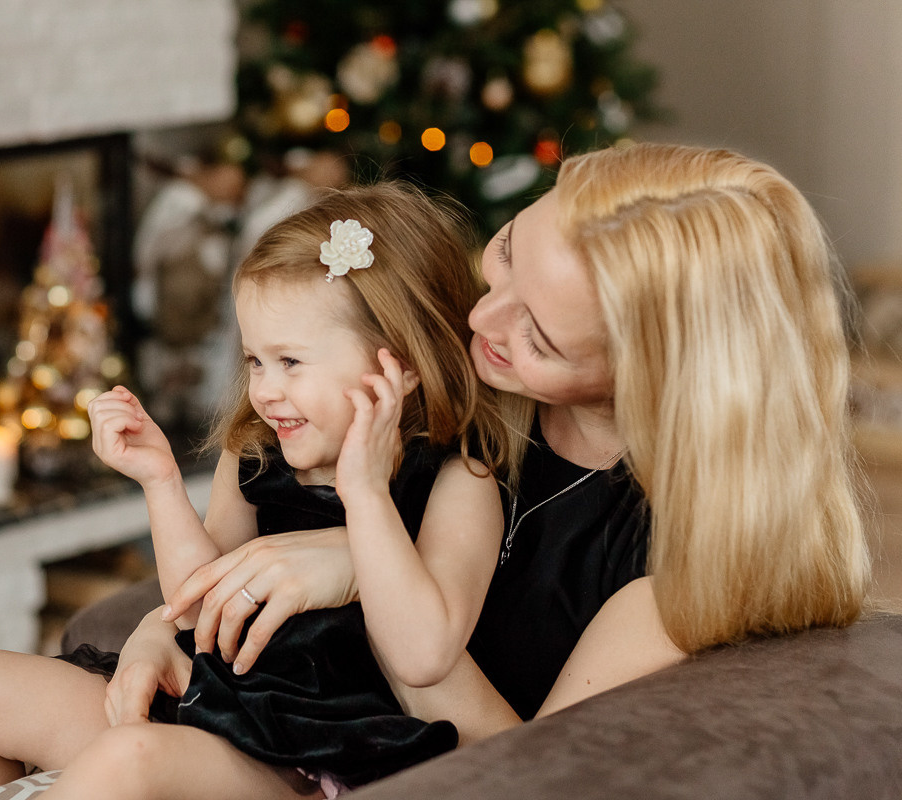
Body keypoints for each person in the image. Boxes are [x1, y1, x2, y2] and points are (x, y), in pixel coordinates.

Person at [89, 142, 869, 754]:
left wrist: (366, 566)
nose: (479, 323)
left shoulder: (672, 567)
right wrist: (158, 634)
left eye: (538, 335)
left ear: (656, 376)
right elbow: (232, 554)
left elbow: (521, 773)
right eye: (503, 253)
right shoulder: (453, 396)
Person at [0, 182, 516, 800]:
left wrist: (366, 492)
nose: (264, 390)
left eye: (290, 362)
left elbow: (425, 653)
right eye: (254, 361)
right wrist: (160, 482)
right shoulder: (256, 453)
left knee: (130, 758)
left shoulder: (455, 482)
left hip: (311, 758)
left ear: (399, 366)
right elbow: (196, 606)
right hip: (211, 708)